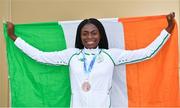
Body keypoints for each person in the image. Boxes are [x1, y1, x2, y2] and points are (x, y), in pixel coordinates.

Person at [7, 13, 175, 108]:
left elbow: (146, 53)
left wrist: (167, 30)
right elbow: (40, 56)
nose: (89, 37)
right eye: (85, 33)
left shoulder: (111, 55)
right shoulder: (71, 55)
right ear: (80, 36)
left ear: (100, 34)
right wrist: (14, 37)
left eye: (93, 32)